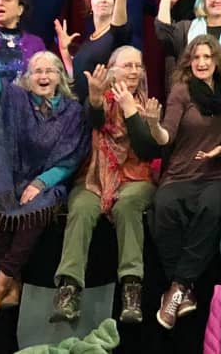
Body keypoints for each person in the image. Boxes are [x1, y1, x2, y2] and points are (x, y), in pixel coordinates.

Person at [0, 46, 89, 316]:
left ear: (59, 77)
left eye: (49, 71)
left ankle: (0, 282)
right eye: (37, 71)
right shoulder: (16, 100)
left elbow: (71, 158)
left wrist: (40, 183)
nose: (43, 76)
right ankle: (14, 280)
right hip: (11, 174)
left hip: (49, 181)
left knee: (36, 212)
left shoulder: (72, 112)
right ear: (28, 77)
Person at [135, 35, 221, 329]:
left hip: (215, 173)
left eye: (207, 57)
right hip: (180, 172)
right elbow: (166, 136)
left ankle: (177, 287)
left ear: (217, 61)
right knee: (163, 207)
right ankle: (184, 288)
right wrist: (153, 124)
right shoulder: (181, 91)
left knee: (211, 210)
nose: (201, 63)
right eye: (196, 58)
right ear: (188, 63)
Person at [52, 47, 157, 324]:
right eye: (127, 66)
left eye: (138, 66)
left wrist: (131, 111)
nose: (134, 71)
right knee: (82, 207)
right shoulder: (100, 97)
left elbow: (147, 150)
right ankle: (69, 290)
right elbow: (94, 119)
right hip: (95, 176)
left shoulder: (147, 104)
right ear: (112, 70)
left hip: (136, 177)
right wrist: (97, 100)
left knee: (127, 206)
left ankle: (132, 290)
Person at [68, 0, 132, 101]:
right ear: (89, 5)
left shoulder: (116, 34)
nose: (104, 0)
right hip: (81, 106)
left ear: (115, 3)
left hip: (104, 106)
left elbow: (119, 27)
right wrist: (63, 50)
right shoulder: (89, 40)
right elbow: (74, 75)